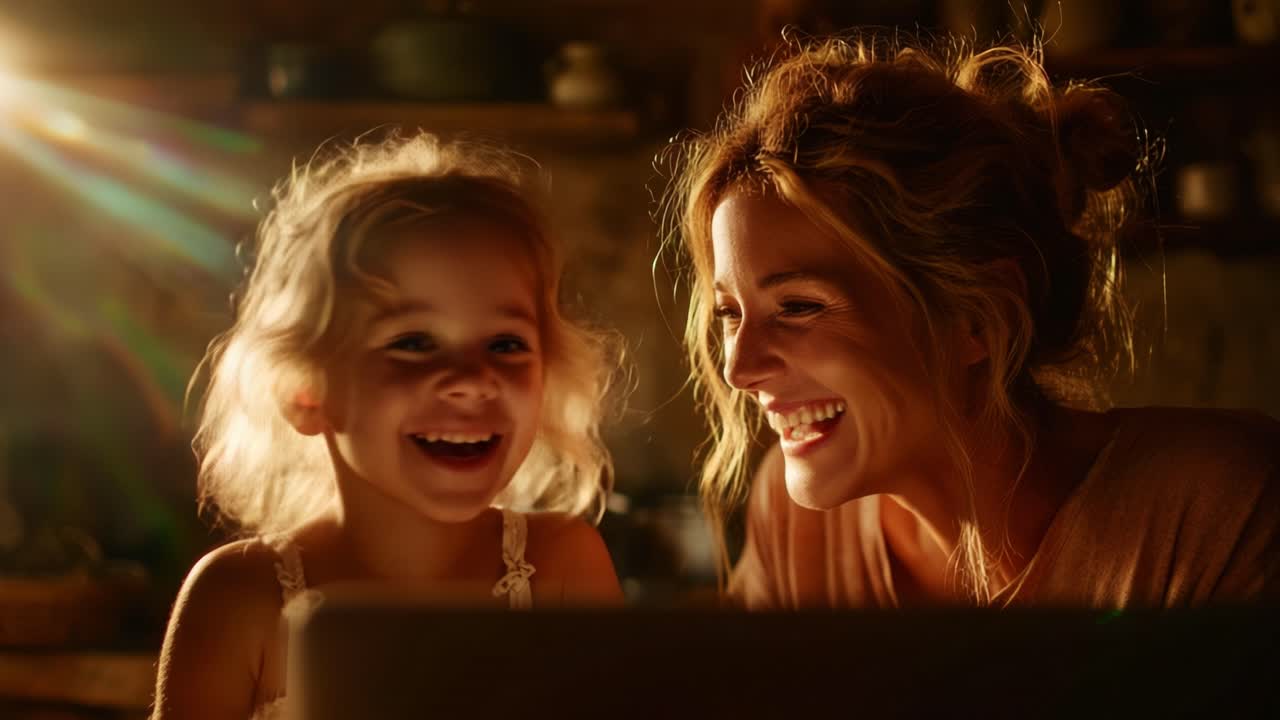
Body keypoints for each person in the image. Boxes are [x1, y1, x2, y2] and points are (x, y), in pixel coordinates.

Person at [661, 33, 1279, 609]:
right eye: (729, 313)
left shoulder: (1221, 514)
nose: (740, 369)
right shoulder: (798, 524)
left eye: (798, 306)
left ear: (975, 316)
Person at [153, 131, 624, 720]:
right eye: (413, 342)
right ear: (307, 391)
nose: (473, 378)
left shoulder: (562, 568)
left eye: (506, 343)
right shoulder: (238, 599)